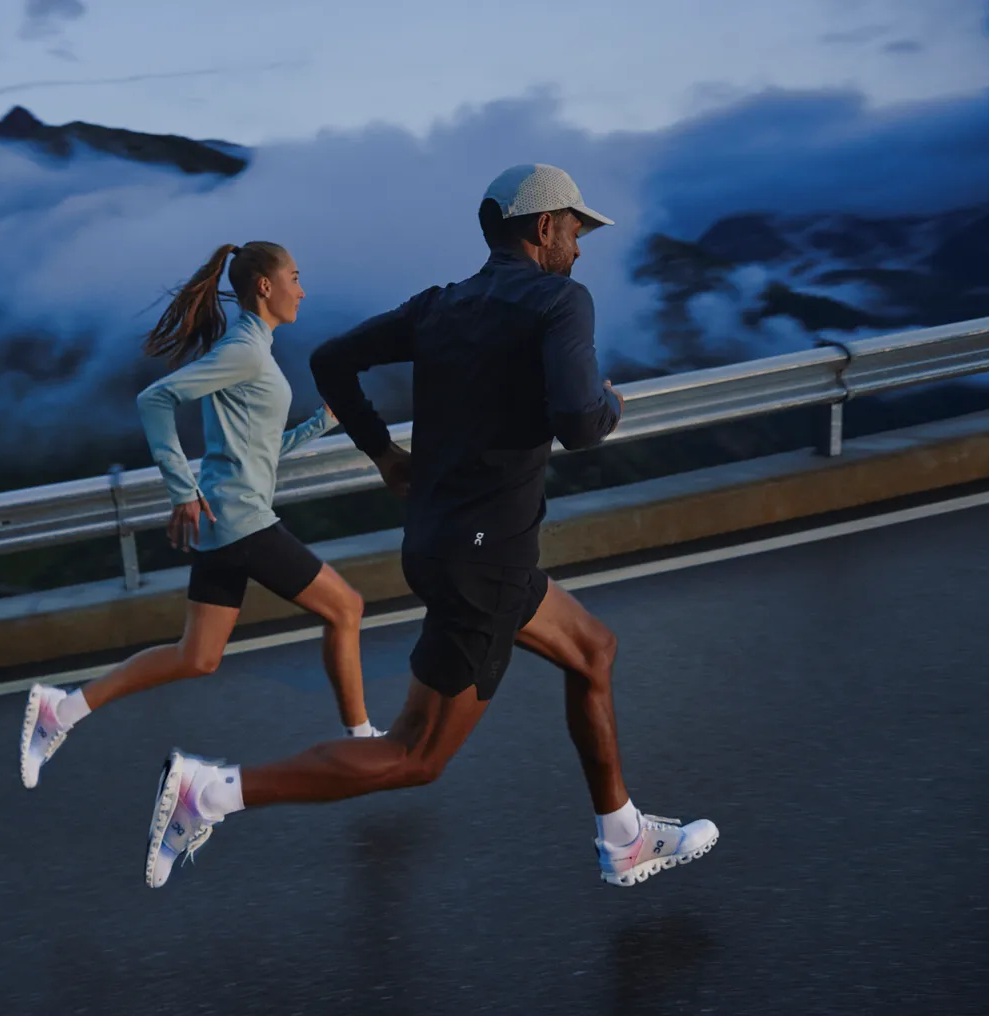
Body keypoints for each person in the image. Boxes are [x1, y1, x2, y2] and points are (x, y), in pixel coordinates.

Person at [141, 165, 719, 890]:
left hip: (440, 543)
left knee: (593, 650)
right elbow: (579, 424)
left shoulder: (442, 306)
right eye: (575, 228)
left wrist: (384, 454)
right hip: (487, 562)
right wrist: (610, 406)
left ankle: (623, 834)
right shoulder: (559, 302)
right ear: (543, 227)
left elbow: (331, 360)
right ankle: (210, 794)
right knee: (415, 757)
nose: (579, 244)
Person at [19, 241, 388, 792]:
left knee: (197, 657)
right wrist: (180, 490)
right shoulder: (244, 352)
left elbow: (254, 449)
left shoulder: (250, 348)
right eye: (295, 276)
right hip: (240, 519)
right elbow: (154, 400)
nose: (302, 289)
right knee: (346, 608)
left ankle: (62, 711)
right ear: (266, 286)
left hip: (227, 519)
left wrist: (317, 425)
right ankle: (361, 740)